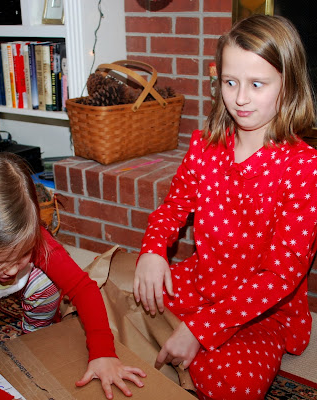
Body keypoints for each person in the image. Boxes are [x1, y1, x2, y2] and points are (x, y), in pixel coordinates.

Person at [133, 14, 317, 400]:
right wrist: (153, 249)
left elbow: (280, 277)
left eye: (257, 84)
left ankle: (189, 347)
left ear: (288, 84)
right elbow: (172, 207)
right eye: (230, 82)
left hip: (263, 309)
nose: (240, 98)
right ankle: (185, 346)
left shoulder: (305, 168)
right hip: (204, 280)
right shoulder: (205, 146)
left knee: (237, 388)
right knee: (129, 301)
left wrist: (199, 330)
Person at [0, 153, 146, 399]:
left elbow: (83, 287)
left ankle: (36, 335)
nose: (12, 271)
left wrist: (103, 352)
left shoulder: (31, 237)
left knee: (46, 279)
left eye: (22, 254)